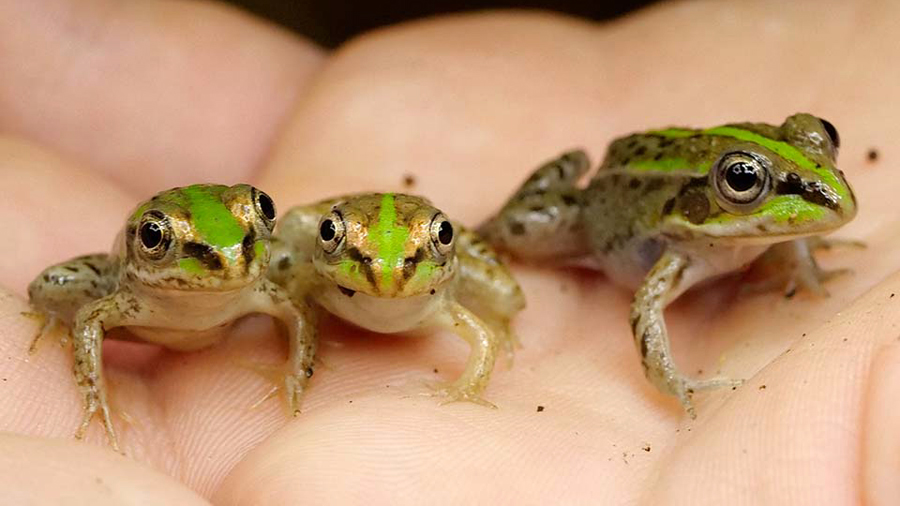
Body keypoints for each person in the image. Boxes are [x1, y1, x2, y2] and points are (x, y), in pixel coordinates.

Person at [0, 0, 895, 503]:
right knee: (528, 235)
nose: (807, 200)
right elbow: (643, 306)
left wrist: (797, 258)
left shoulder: (761, 233)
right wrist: (678, 387)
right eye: (748, 185)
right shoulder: (670, 247)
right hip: (603, 201)